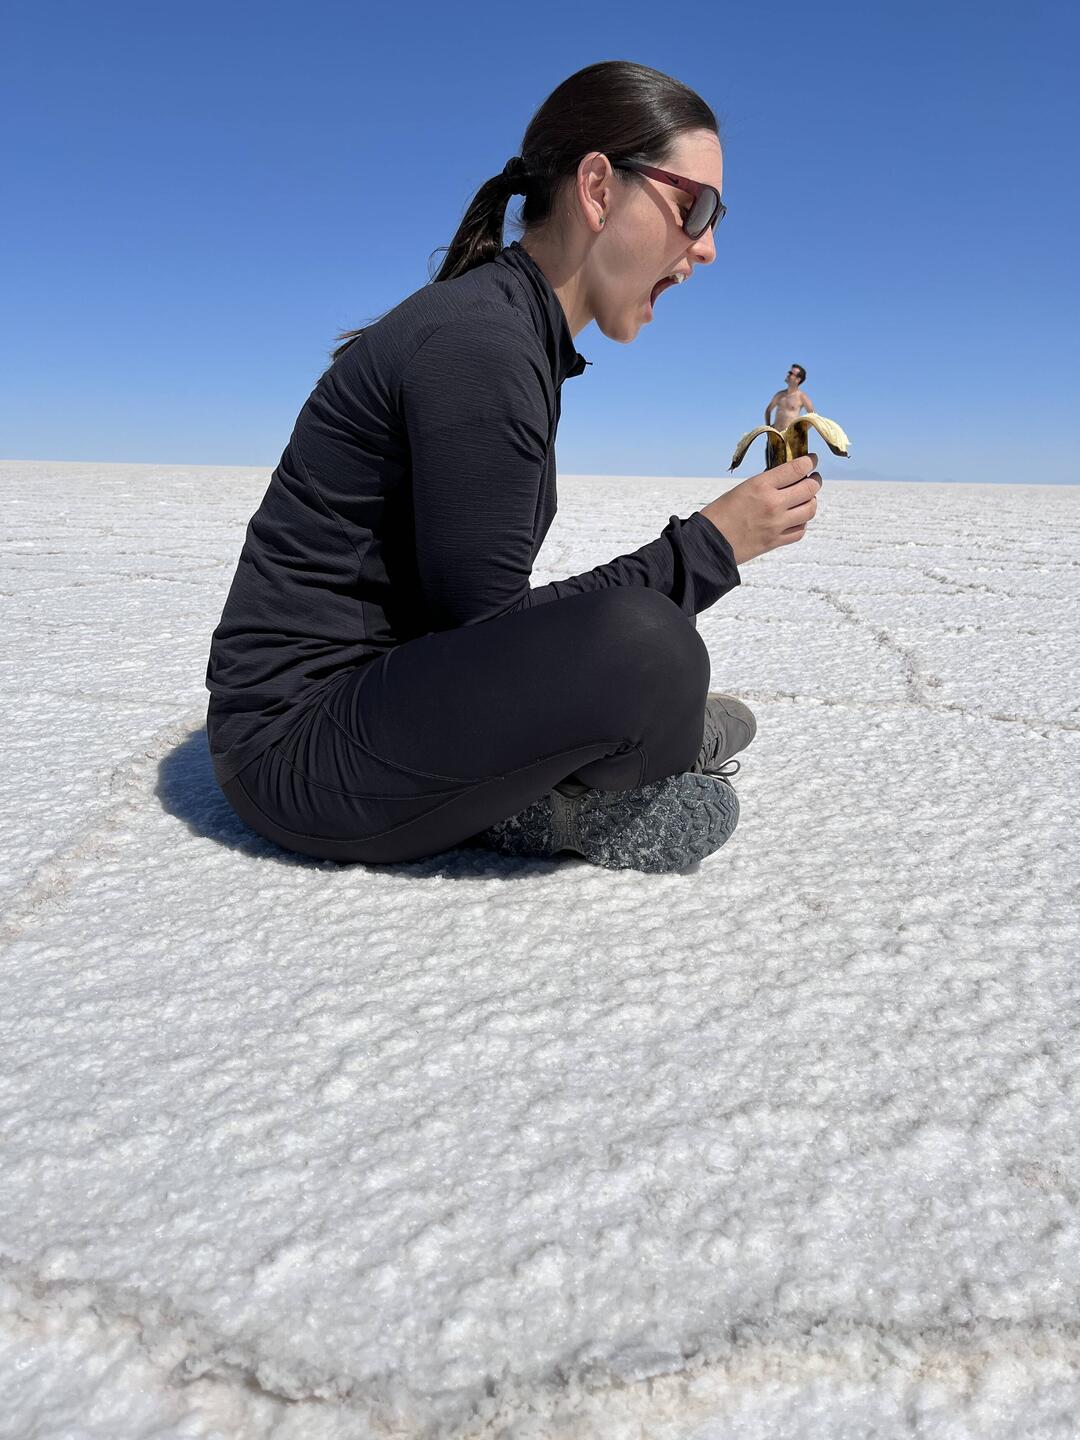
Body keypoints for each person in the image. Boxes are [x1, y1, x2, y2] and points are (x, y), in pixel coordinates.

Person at [205, 60, 822, 874]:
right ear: (597, 189)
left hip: (369, 708)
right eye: (693, 208)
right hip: (300, 759)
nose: (706, 247)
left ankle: (597, 754)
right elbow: (491, 634)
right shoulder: (481, 345)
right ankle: (555, 802)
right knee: (649, 646)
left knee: (647, 653)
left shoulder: (506, 330)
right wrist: (711, 546)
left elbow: (482, 634)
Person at [765, 365, 815, 431]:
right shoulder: (779, 395)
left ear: (798, 379)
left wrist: (801, 431)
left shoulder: (802, 397)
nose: (788, 375)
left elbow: (813, 417)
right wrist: (769, 429)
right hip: (776, 435)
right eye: (789, 372)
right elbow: (768, 411)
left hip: (791, 436)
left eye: (791, 373)